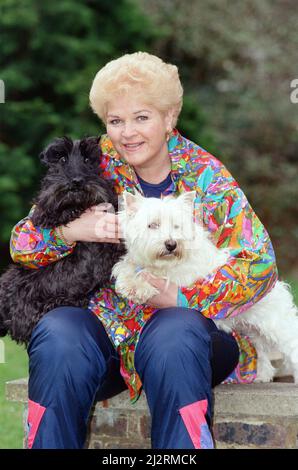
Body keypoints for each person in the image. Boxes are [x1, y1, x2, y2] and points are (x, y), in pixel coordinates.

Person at [10, 51, 278, 449]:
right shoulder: (94, 165)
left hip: (191, 338)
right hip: (108, 332)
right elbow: (22, 243)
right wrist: (70, 230)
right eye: (116, 121)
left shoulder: (207, 177)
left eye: (142, 117)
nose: (127, 133)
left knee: (175, 332)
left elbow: (260, 268)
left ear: (169, 118)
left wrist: (183, 296)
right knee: (59, 332)